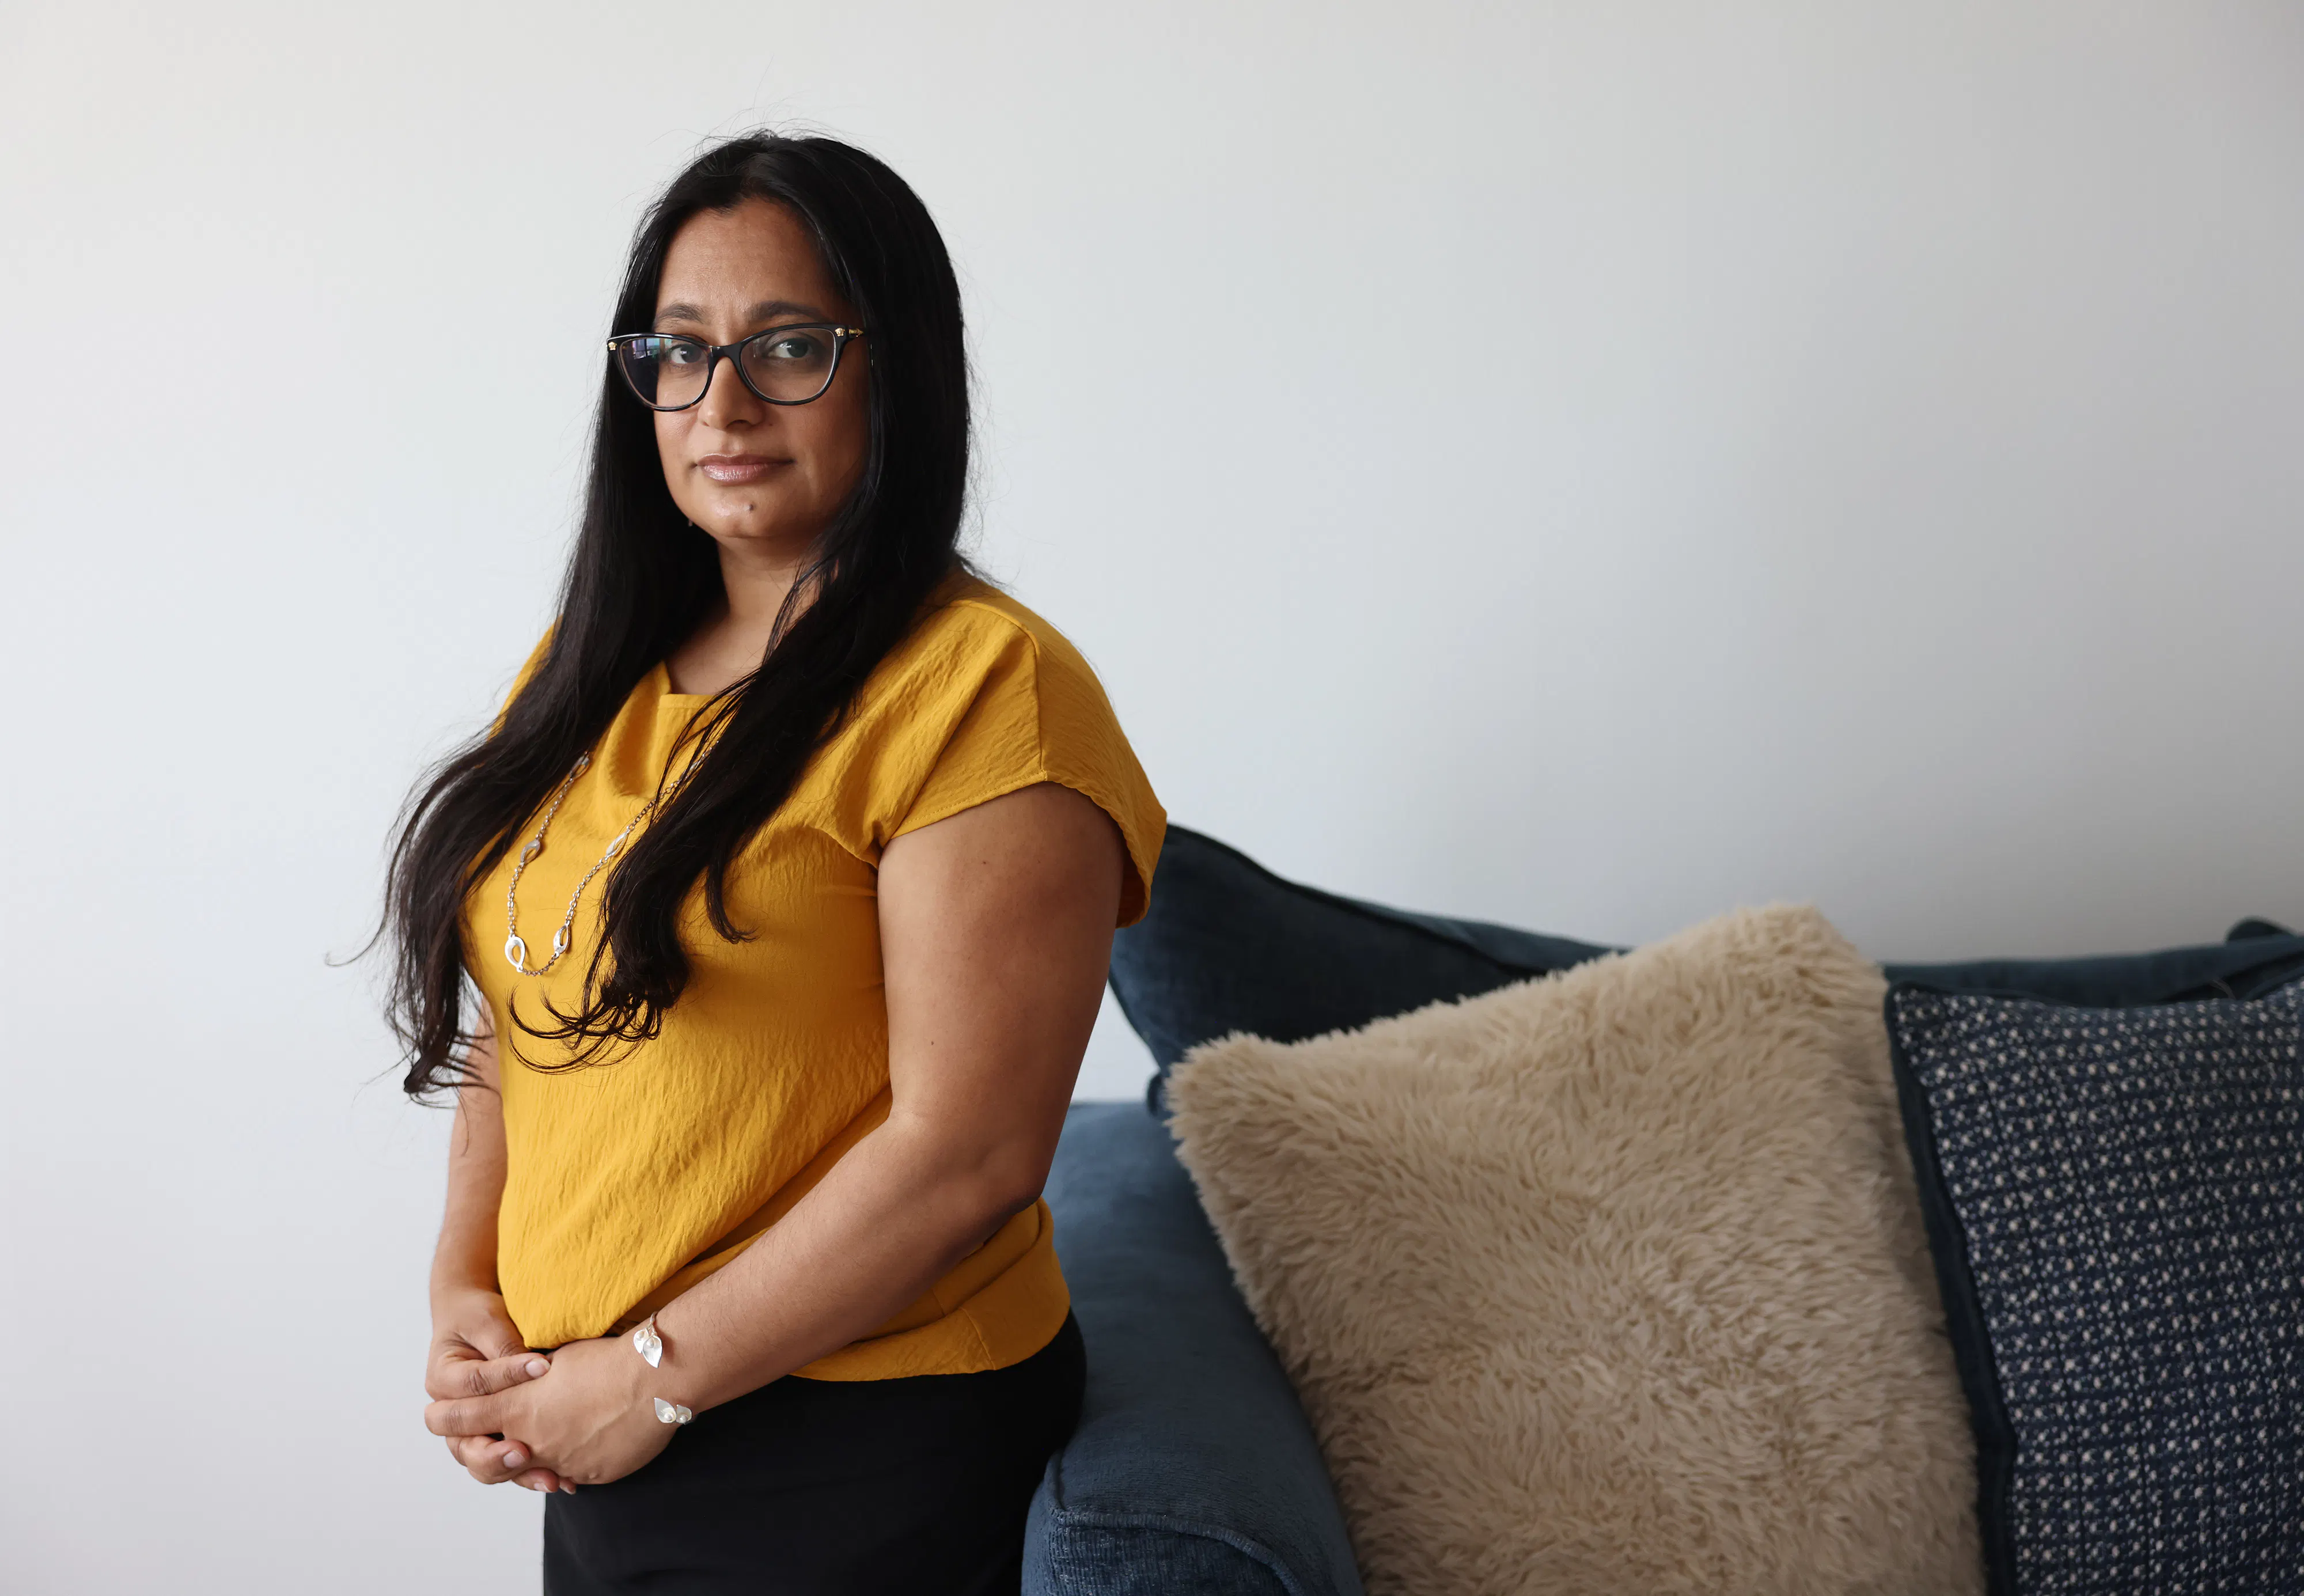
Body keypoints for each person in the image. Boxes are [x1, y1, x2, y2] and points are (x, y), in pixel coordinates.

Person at [380, 131, 1164, 1595]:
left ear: (899, 368)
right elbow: (524, 1005)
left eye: (787, 345)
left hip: (855, 1446)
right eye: (676, 351)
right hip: (606, 1433)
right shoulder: (587, 672)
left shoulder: (986, 689)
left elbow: (970, 1154)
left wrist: (654, 1378)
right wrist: (465, 1287)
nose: (720, 401)